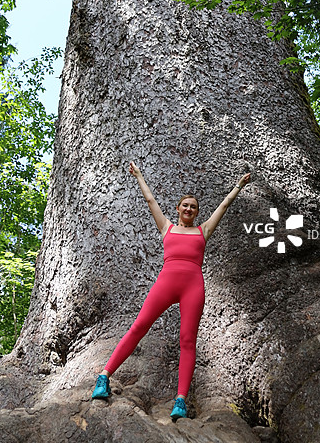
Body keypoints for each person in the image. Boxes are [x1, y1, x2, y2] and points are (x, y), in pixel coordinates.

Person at [92, 161, 251, 420]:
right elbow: (150, 200)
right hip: (166, 283)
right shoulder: (167, 227)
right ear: (178, 209)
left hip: (193, 287)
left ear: (197, 213)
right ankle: (103, 377)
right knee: (138, 327)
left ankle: (180, 400)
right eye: (185, 205)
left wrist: (237, 187)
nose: (189, 208)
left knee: (188, 341)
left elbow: (224, 206)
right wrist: (140, 175)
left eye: (193, 207)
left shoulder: (203, 230)